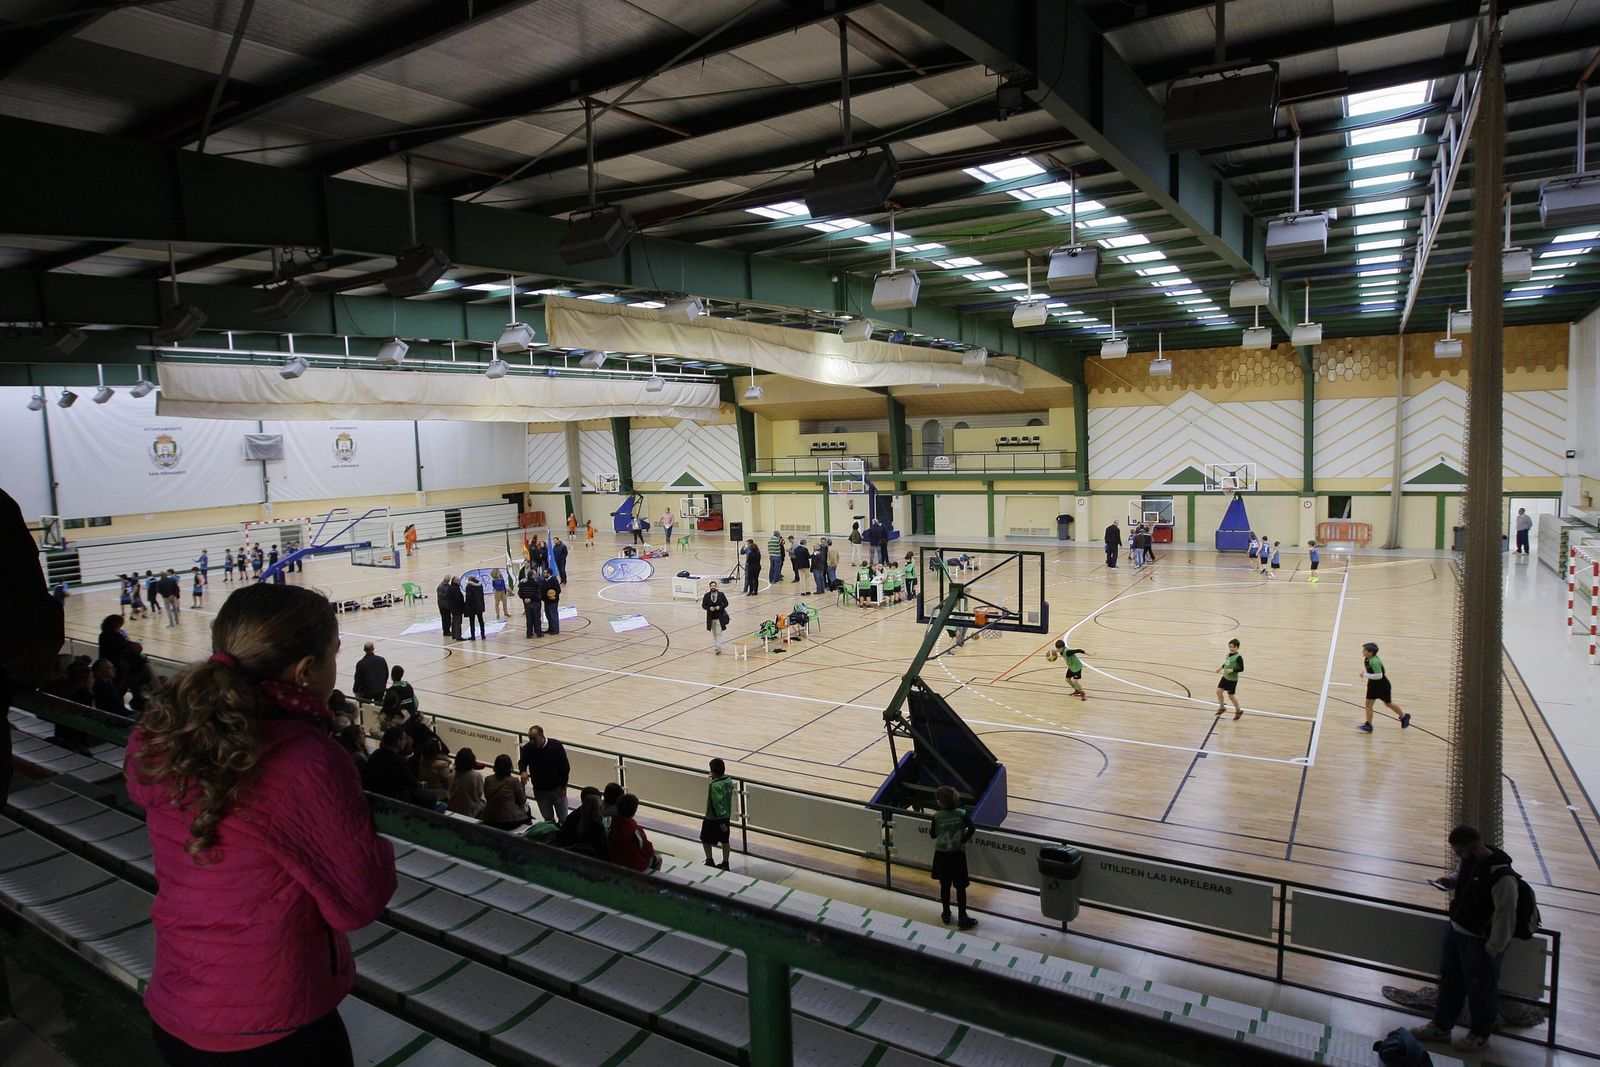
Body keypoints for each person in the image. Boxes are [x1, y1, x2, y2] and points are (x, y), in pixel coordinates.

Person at [125, 583, 396, 1062]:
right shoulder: (306, 760)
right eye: (334, 653)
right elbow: (358, 902)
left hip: (179, 1005)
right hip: (273, 1028)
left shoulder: (168, 735)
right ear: (305, 671)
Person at [1410, 826, 1532, 1053]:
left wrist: (1492, 949)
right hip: (1456, 931)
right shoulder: (1469, 860)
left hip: (1479, 942)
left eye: (1460, 852)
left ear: (1474, 848)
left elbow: (1505, 917)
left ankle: (1479, 1035)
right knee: (1450, 981)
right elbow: (1461, 876)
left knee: (1481, 990)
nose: (1459, 856)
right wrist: (1449, 881)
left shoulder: (1502, 878)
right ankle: (1441, 1026)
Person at [930, 784, 978, 929]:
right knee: (960, 887)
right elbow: (972, 828)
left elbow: (933, 834)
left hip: (941, 855)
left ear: (940, 802)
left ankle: (946, 913)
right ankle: (962, 917)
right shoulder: (962, 814)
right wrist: (962, 841)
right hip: (957, 855)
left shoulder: (937, 816)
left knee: (944, 886)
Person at [361, 727, 430, 807]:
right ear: (398, 742)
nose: (406, 742)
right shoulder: (397, 760)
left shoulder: (376, 754)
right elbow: (411, 783)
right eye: (404, 739)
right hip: (392, 802)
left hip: (374, 798)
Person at [518, 724, 570, 823]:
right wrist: (523, 771)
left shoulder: (556, 746)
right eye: (530, 738)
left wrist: (563, 786)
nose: (532, 741)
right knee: (548, 820)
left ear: (542, 736)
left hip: (557, 790)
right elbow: (522, 762)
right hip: (540, 791)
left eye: (534, 738)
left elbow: (565, 767)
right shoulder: (528, 748)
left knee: (564, 819)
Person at [1359, 642, 1410, 732]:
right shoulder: (1367, 659)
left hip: (1382, 686)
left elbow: (1379, 676)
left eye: (1365, 650)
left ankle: (1404, 716)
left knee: (1388, 704)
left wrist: (1365, 675)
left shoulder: (1374, 661)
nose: (1363, 651)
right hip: (1372, 685)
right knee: (1368, 704)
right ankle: (1369, 725)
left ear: (1370, 653)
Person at [608, 793, 661, 872]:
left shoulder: (611, 826)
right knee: (659, 858)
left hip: (614, 861)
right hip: (634, 866)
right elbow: (648, 852)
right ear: (634, 811)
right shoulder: (636, 830)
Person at [481, 754, 533, 831]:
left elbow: (487, 796)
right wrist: (522, 785)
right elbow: (522, 801)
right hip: (509, 821)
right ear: (509, 766)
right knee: (527, 808)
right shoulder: (514, 781)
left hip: (489, 818)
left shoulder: (488, 779)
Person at [701, 757, 735, 870]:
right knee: (725, 840)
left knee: (705, 838)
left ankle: (709, 860)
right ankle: (725, 863)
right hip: (726, 816)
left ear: (713, 771)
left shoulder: (715, 786)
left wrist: (721, 822)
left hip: (713, 818)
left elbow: (717, 803)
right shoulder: (728, 781)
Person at [560, 790, 609, 859]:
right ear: (598, 809)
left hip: (570, 853)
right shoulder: (598, 826)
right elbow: (603, 849)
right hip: (588, 858)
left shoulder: (573, 817)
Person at [448, 748, 486, 818]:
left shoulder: (452, 774)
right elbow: (479, 793)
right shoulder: (476, 776)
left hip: (453, 808)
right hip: (470, 811)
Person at [351, 642, 389, 708]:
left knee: (364, 708)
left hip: (367, 691)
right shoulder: (381, 660)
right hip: (380, 689)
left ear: (364, 650)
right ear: (373, 648)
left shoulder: (361, 663)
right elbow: (386, 674)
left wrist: (355, 689)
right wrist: (383, 685)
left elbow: (358, 679)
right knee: (380, 707)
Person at [1215, 638, 1244, 720]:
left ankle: (1238, 710)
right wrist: (1220, 668)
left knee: (1231, 696)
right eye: (1230, 647)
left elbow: (1241, 668)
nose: (1231, 648)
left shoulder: (1238, 657)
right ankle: (1222, 707)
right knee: (1218, 691)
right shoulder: (1228, 654)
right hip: (1225, 677)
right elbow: (1227, 663)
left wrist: (1232, 670)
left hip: (1232, 680)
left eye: (1234, 647)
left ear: (1237, 647)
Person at [701, 580, 731, 654]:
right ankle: (717, 645)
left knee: (719, 633)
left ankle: (718, 647)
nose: (713, 587)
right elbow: (703, 605)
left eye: (714, 586)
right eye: (711, 586)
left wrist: (720, 607)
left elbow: (726, 603)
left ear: (716, 586)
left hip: (719, 617)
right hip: (711, 618)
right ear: (709, 587)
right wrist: (709, 608)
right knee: (714, 633)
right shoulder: (706, 595)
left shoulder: (721, 594)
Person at [518, 562, 544, 638]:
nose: (536, 575)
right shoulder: (537, 584)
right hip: (535, 603)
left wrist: (524, 598)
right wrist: (531, 599)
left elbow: (520, 593)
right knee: (537, 619)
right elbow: (538, 594)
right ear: (532, 575)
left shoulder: (523, 584)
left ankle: (529, 634)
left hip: (527, 604)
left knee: (529, 619)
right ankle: (538, 633)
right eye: (535, 574)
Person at [461, 574, 486, 640]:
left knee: (472, 621)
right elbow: (482, 595)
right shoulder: (480, 585)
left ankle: (473, 636)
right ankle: (483, 634)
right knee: (481, 620)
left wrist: (466, 606)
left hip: (472, 606)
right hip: (479, 604)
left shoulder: (469, 586)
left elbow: (468, 597)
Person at [539, 565, 562, 635]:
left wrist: (554, 596)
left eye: (545, 573)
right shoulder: (544, 581)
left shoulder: (554, 580)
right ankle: (551, 628)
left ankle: (556, 629)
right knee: (548, 615)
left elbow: (558, 590)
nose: (543, 574)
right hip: (546, 601)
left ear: (549, 574)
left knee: (553, 615)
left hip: (553, 601)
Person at [442, 575, 465, 641]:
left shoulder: (451, 587)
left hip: (453, 608)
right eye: (458, 580)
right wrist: (462, 605)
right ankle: (458, 636)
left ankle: (454, 635)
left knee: (454, 621)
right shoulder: (455, 588)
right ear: (454, 581)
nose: (459, 581)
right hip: (457, 608)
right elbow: (458, 599)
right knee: (458, 622)